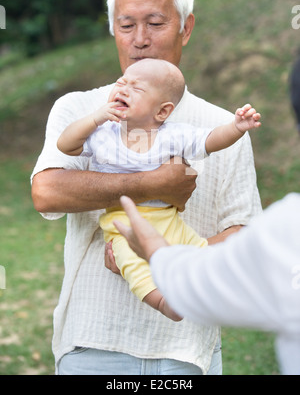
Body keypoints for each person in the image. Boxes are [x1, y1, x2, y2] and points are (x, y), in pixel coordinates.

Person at [31, 0, 261, 375]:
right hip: (92, 342)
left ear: (185, 27)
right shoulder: (83, 110)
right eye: (125, 25)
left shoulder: (219, 127)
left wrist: (163, 259)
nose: (139, 39)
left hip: (187, 350)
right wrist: (153, 182)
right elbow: (47, 191)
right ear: (112, 31)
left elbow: (245, 236)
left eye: (155, 23)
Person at [113, 72, 300, 376]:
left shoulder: (289, 229)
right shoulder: (102, 128)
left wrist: (153, 249)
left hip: (155, 237)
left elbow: (196, 282)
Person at [56, 58, 261, 321]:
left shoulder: (172, 135)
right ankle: (165, 303)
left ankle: (197, 294)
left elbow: (209, 141)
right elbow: (67, 145)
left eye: (137, 88)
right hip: (125, 226)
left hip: (168, 220)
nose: (123, 89)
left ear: (162, 112)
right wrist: (95, 118)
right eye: (121, 82)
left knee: (196, 252)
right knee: (133, 266)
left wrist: (235, 128)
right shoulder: (104, 134)